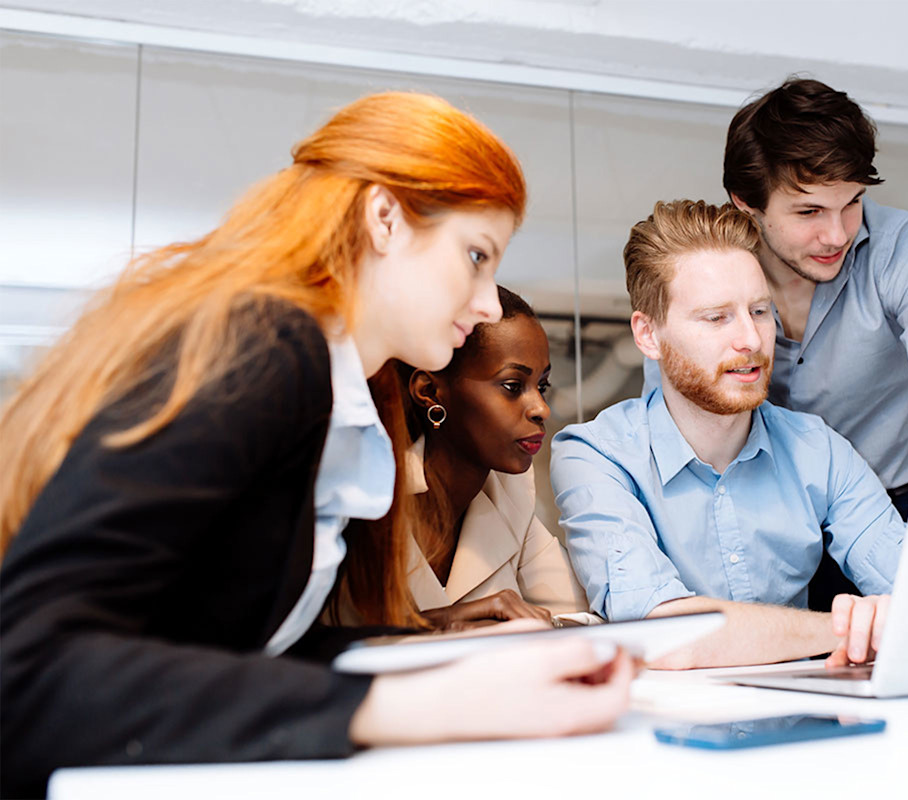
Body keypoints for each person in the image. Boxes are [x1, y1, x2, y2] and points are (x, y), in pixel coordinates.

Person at [0, 91, 631, 799]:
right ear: (384, 219)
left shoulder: (346, 389)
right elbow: (28, 672)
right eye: (476, 256)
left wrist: (435, 652)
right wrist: (429, 703)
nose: (489, 303)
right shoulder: (265, 347)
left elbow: (230, 649)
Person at [645, 77, 908, 607]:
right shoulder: (704, 277)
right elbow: (677, 423)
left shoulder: (899, 246)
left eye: (852, 203)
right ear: (746, 203)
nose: (839, 234)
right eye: (808, 212)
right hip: (775, 520)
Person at [552, 199, 900, 670]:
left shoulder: (819, 449)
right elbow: (665, 636)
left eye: (759, 311)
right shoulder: (595, 456)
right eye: (716, 318)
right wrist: (849, 626)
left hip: (802, 725)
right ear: (648, 335)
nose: (752, 341)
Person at [329, 286, 593, 630]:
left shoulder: (511, 493)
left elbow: (581, 621)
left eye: (541, 386)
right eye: (513, 385)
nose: (541, 408)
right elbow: (289, 646)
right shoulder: (356, 494)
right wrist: (441, 625)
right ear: (429, 392)